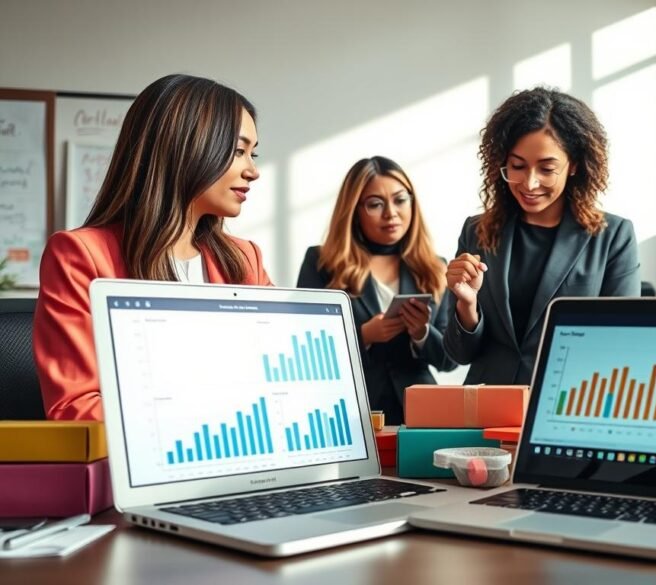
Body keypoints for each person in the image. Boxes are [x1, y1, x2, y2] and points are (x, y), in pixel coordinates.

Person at [34, 74, 272, 421]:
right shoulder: (80, 255)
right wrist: (207, 416)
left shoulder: (244, 258)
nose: (253, 171)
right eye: (238, 151)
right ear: (184, 146)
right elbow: (75, 408)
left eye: (253, 153)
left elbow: (275, 381)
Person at [445, 88, 641, 385]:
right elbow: (460, 353)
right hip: (486, 408)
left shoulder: (612, 237)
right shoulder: (477, 231)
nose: (530, 182)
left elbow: (620, 342)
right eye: (517, 166)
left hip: (567, 401)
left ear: (574, 164)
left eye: (547, 168)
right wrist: (467, 304)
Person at [296, 156, 456, 424]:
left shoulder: (434, 267)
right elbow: (304, 351)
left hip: (421, 414)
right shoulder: (322, 262)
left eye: (400, 199)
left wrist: (422, 334)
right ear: (354, 210)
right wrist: (363, 336)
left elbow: (449, 361)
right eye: (375, 204)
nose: (391, 213)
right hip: (349, 412)